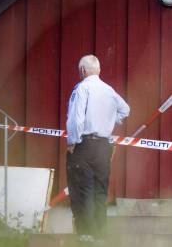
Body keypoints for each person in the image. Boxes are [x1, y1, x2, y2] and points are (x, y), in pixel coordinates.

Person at [66, 55, 130, 242]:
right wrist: (111, 121)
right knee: (100, 190)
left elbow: (76, 119)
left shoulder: (82, 88)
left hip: (84, 144)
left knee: (82, 189)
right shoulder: (109, 90)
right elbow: (125, 109)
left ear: (82, 71)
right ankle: (101, 236)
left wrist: (72, 142)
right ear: (99, 70)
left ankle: (86, 236)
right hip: (104, 146)